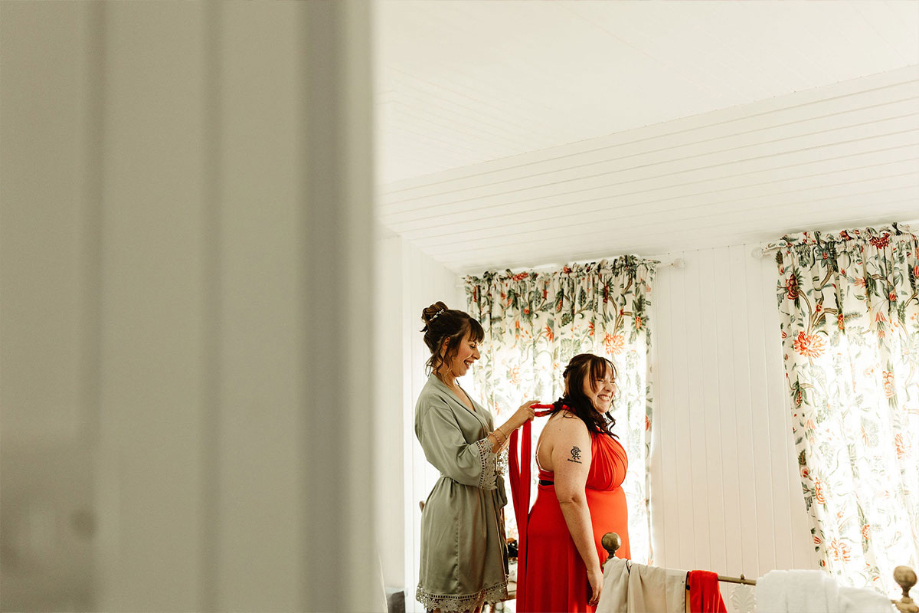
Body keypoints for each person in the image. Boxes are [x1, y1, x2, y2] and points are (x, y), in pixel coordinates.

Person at [414, 301, 538, 613]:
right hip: (456, 515)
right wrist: (512, 423)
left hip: (476, 513)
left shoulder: (456, 389)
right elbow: (463, 462)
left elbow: (482, 451)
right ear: (447, 344)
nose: (477, 355)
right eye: (472, 345)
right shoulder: (432, 400)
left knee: (476, 605)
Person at [518, 353, 631, 613]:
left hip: (595, 543)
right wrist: (593, 566)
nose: (610, 388)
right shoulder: (570, 425)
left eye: (612, 381)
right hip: (574, 545)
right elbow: (571, 496)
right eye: (599, 379)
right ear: (576, 382)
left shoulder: (583, 421)